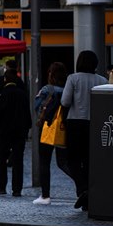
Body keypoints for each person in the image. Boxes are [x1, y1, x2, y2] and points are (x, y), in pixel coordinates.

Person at [60, 50, 107, 210]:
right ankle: (89, 198)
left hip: (75, 123)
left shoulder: (73, 78)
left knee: (72, 159)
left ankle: (83, 189)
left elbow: (65, 101)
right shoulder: (102, 80)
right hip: (94, 123)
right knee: (89, 160)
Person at [31, 62, 69, 205]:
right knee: (63, 162)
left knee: (44, 162)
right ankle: (82, 185)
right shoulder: (67, 89)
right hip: (63, 128)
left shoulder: (47, 89)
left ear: (50, 74)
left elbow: (37, 107)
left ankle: (45, 196)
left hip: (47, 128)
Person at [0, 69, 32, 197]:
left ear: (5, 80)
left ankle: (1, 186)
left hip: (5, 130)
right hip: (20, 131)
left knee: (2, 158)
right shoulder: (23, 94)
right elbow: (27, 113)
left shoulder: (4, 93)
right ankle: (17, 189)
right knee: (18, 159)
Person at [0, 58, 25, 122]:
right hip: (17, 114)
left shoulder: (0, 80)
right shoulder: (20, 81)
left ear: (7, 68)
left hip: (3, 115)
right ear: (16, 68)